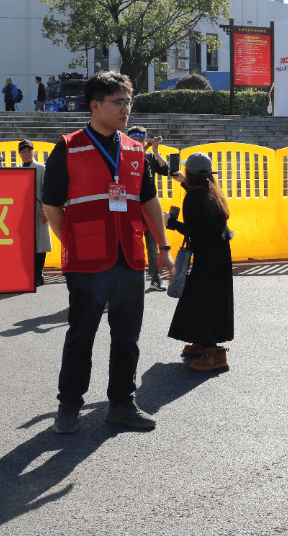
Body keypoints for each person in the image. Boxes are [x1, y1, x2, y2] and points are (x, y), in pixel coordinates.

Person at [41, 71, 175, 434]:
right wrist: (69, 242)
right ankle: (68, 406)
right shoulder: (68, 147)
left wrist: (163, 248)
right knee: (81, 335)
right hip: (87, 260)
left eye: (129, 101)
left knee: (127, 336)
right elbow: (51, 205)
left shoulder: (135, 150)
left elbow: (149, 201)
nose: (126, 109)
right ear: (95, 105)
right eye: (119, 102)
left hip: (130, 256)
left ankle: (122, 404)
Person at [164, 152, 234, 371]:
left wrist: (171, 223)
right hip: (219, 254)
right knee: (205, 298)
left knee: (201, 300)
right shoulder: (212, 190)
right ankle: (204, 342)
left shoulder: (193, 197)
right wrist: (184, 183)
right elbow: (200, 205)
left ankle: (215, 353)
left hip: (207, 256)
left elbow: (194, 232)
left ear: (189, 173)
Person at [0, 140, 52, 287]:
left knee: (39, 244)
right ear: (19, 154)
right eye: (23, 152)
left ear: (34, 152)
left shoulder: (42, 168)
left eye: (28, 151)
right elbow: (1, 180)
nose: (26, 154)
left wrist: (46, 211)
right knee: (24, 245)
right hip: (21, 213)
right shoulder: (17, 169)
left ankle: (38, 274)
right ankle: (26, 273)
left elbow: (48, 190)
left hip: (38, 211)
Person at [127, 126, 171, 291]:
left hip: (149, 207)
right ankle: (128, 282)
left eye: (141, 140)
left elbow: (166, 170)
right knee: (129, 245)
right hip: (129, 207)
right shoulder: (122, 155)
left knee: (152, 245)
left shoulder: (150, 156)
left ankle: (155, 278)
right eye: (134, 140)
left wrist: (156, 150)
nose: (138, 142)